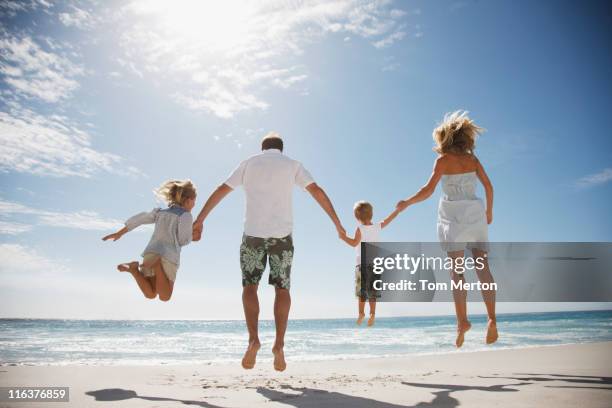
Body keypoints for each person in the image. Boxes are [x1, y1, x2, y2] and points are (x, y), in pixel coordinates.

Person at [192, 132, 345, 371]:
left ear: (262, 147)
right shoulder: (293, 165)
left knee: (249, 286)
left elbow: (222, 189)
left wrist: (200, 220)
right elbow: (317, 191)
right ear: (281, 149)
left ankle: (253, 339)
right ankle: (279, 345)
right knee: (282, 289)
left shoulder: (249, 163)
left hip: (253, 235)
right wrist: (337, 224)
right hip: (281, 237)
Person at [396, 111, 498, 347]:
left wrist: (407, 202)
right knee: (482, 267)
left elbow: (428, 190)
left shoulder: (442, 161)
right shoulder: (473, 160)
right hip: (475, 212)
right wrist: (489, 212)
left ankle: (462, 321)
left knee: (456, 271)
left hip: (453, 215)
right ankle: (492, 318)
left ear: (445, 139)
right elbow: (489, 186)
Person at [102, 180, 197, 302]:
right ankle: (155, 266)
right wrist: (192, 235)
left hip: (151, 253)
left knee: (151, 293)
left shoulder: (160, 213)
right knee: (165, 296)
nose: (194, 205)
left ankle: (134, 270)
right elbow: (183, 240)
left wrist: (119, 233)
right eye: (194, 201)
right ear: (188, 200)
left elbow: (139, 219)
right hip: (168, 256)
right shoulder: (186, 215)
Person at [339, 201, 399, 326]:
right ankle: (372, 313)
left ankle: (361, 313)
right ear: (372, 214)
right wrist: (397, 209)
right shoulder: (377, 226)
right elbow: (390, 218)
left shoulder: (360, 229)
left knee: (362, 292)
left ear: (357, 217)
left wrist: (343, 237)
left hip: (362, 264)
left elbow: (354, 243)